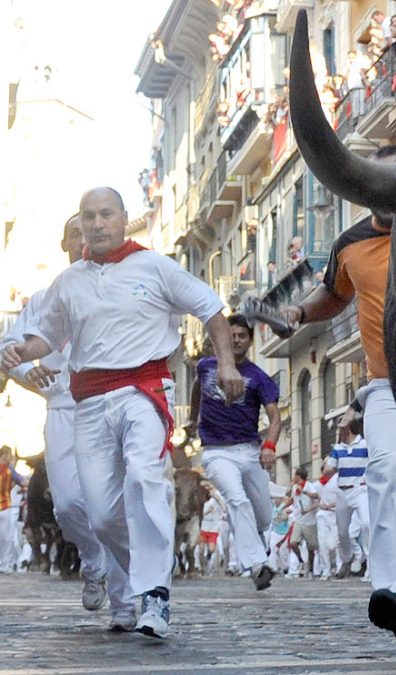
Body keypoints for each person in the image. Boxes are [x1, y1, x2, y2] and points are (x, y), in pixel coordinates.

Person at [1, 187, 245, 639]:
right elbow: (46, 338)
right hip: (87, 402)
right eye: (88, 216)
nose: (96, 224)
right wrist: (20, 351)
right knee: (98, 515)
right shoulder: (68, 283)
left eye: (105, 215)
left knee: (145, 478)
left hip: (143, 390)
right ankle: (141, 573)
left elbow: (210, 308)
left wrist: (227, 363)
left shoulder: (154, 266)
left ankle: (154, 593)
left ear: (122, 218)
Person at [272, 145, 396, 641]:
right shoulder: (350, 244)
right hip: (387, 381)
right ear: (362, 186)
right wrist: (299, 312)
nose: (385, 187)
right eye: (374, 179)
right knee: (389, 468)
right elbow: (333, 295)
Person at [0, 214, 126, 619]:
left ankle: (125, 603)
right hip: (63, 408)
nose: (86, 237)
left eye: (92, 229)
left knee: (112, 508)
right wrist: (26, 372)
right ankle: (92, 560)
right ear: (65, 245)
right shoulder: (42, 300)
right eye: (76, 231)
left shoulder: (120, 293)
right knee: (68, 506)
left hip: (110, 405)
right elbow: (10, 349)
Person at [186, 313, 281, 591]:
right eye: (231, 335)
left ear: (250, 340)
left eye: (242, 335)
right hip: (216, 453)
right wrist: (193, 419)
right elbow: (195, 390)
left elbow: (275, 417)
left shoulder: (259, 378)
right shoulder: (205, 366)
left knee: (263, 515)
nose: (236, 340)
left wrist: (270, 446)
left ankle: (258, 550)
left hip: (249, 450)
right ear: (222, 338)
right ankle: (256, 566)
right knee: (237, 500)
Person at [324, 421, 370, 580]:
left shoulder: (364, 444)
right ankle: (347, 558)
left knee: (366, 523)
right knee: (342, 532)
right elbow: (328, 470)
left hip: (360, 489)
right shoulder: (338, 449)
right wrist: (328, 467)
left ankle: (370, 564)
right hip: (342, 491)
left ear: (347, 429)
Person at [287, 466, 321, 577]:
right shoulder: (294, 487)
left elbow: (317, 497)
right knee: (293, 543)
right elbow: (292, 499)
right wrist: (283, 506)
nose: (293, 477)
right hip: (298, 520)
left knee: (311, 547)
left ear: (299, 476)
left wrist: (305, 493)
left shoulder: (310, 486)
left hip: (309, 520)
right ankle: (301, 561)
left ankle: (310, 568)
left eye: (295, 475)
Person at [0, 446, 26, 573]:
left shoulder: (9, 470)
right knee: (5, 536)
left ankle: (4, 563)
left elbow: (21, 480)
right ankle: (4, 563)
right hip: (5, 506)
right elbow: (22, 480)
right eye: (9, 455)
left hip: (5, 506)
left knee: (5, 536)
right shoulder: (9, 470)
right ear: (5, 454)